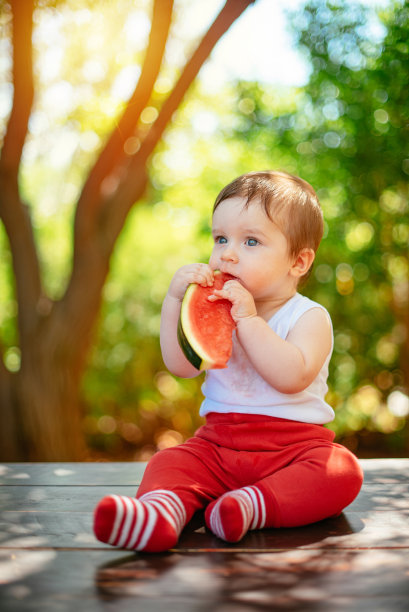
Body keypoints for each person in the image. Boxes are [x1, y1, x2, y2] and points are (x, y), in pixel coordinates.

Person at [93, 170, 363, 552]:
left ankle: (250, 507)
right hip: (218, 446)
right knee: (168, 462)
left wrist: (249, 321)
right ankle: (159, 515)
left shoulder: (309, 317)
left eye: (251, 241)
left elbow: (292, 376)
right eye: (220, 238)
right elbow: (182, 366)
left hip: (292, 451)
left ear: (298, 262)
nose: (228, 253)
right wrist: (174, 302)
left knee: (342, 472)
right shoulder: (219, 309)